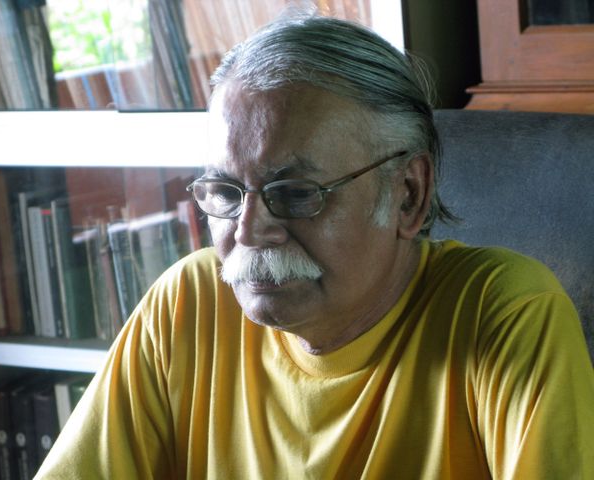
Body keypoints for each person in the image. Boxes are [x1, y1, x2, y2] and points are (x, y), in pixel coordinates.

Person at [36, 13, 594, 479]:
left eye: (296, 193)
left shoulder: (502, 314)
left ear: (408, 195)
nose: (248, 232)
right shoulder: (188, 304)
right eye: (225, 193)